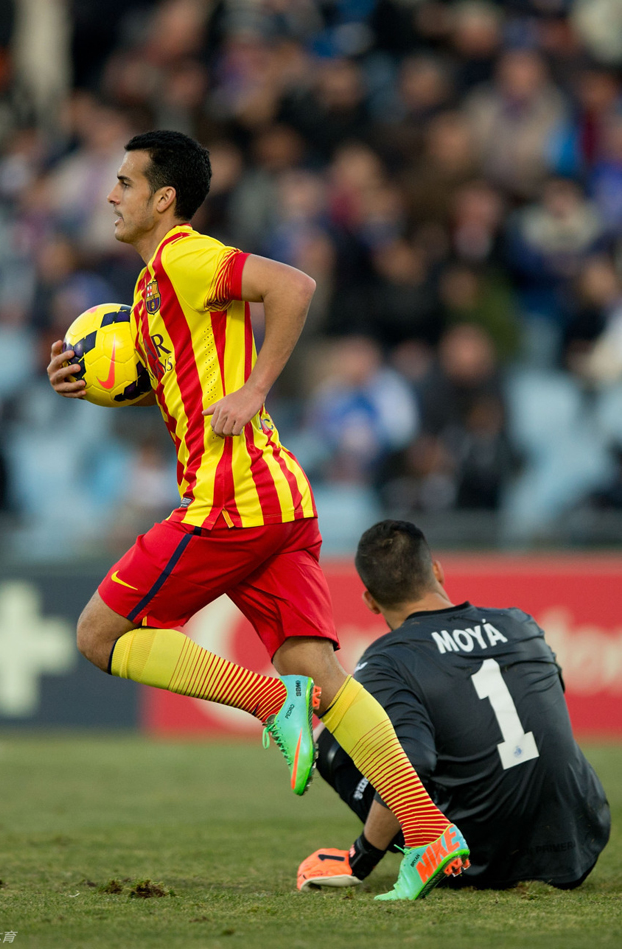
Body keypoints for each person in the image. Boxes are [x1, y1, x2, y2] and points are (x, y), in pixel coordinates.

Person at [46, 129, 469, 899]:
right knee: (323, 669)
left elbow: (295, 286)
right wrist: (95, 383)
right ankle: (433, 832)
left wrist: (258, 387)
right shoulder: (150, 288)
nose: (110, 195)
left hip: (231, 497)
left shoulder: (184, 254)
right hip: (278, 493)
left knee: (98, 634)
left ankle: (271, 704)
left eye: (124, 182)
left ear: (162, 197)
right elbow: (174, 378)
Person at [298, 520, 610, 893]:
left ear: (370, 600)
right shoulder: (519, 622)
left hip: (475, 859)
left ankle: (438, 849)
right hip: (578, 841)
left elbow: (412, 763)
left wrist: (360, 858)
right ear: (436, 570)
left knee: (336, 733)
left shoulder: (387, 660)